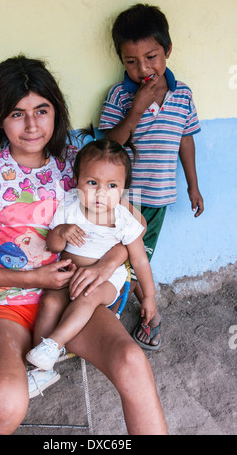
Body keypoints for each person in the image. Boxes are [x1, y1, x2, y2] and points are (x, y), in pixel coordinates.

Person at [0, 55, 167, 435]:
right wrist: (34, 278)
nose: (32, 125)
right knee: (3, 404)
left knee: (132, 361)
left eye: (41, 110)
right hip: (3, 302)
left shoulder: (77, 164)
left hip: (71, 296)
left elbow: (134, 225)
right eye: (17, 113)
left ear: (56, 111)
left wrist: (104, 265)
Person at [99, 3, 204, 350]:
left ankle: (150, 314)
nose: (142, 68)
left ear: (167, 51)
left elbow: (185, 141)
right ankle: (129, 309)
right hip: (121, 199)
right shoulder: (119, 95)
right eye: (131, 61)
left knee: (135, 258)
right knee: (121, 257)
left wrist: (193, 186)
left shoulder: (183, 94)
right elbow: (107, 147)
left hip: (157, 200)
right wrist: (137, 108)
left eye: (151, 57)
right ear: (121, 59)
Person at [26, 134, 158, 370]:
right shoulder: (69, 207)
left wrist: (149, 296)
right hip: (68, 275)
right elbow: (53, 246)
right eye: (92, 183)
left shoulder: (124, 220)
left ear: (123, 190)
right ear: (76, 181)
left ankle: (54, 344)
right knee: (50, 303)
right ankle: (40, 364)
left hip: (107, 280)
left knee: (88, 297)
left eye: (112, 186)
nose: (100, 193)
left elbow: (140, 261)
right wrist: (61, 232)